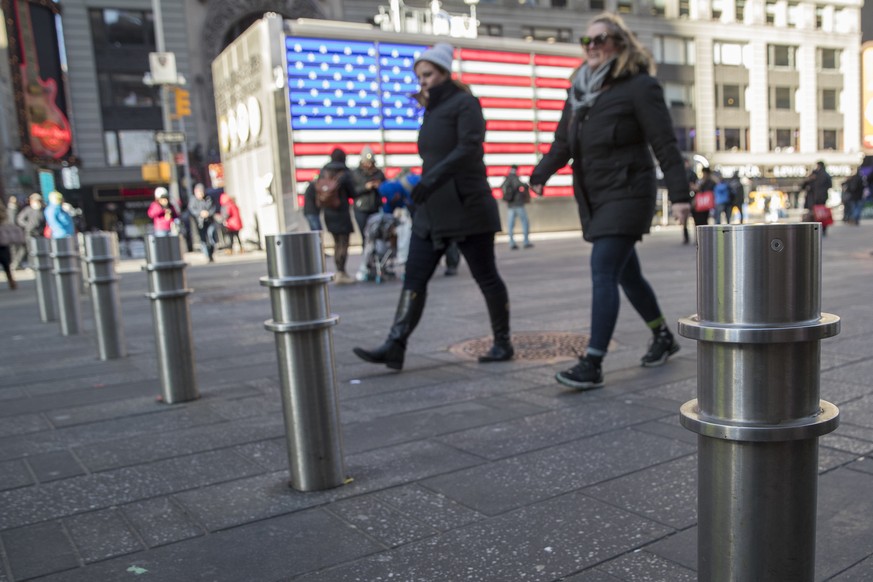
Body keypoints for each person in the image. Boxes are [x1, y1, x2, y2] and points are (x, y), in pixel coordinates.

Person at [529, 12, 689, 390]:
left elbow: (664, 142)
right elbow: (563, 144)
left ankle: (593, 360)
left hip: (629, 191)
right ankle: (662, 336)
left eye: (601, 39)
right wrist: (539, 174)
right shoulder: (580, 92)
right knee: (627, 274)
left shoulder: (639, 87)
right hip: (596, 195)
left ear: (620, 44)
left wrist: (681, 195)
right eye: (588, 42)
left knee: (603, 267)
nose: (593, 47)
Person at [353, 42, 514, 370]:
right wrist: (417, 180)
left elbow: (469, 148)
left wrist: (429, 180)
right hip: (432, 209)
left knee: (486, 276)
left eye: (427, 74)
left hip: (467, 204)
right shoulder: (431, 110)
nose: (422, 80)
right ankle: (395, 344)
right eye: (419, 76)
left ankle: (502, 342)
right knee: (414, 276)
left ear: (443, 72)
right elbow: (435, 157)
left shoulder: (465, 104)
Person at [306, 148, 356, 284]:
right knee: (343, 242)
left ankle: (338, 271)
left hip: (328, 212)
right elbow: (353, 192)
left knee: (336, 242)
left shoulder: (324, 171)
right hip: (342, 211)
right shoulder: (345, 173)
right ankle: (341, 272)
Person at [351, 146, 386, 236]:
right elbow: (352, 191)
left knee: (376, 235)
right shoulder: (355, 173)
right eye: (367, 162)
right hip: (361, 208)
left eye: (371, 162)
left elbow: (386, 188)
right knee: (365, 235)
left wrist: (380, 186)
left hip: (375, 207)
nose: (369, 165)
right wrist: (365, 187)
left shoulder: (379, 173)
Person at [501, 165, 533, 250]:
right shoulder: (515, 177)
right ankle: (526, 242)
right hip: (518, 204)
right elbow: (519, 185)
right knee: (525, 222)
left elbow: (502, 187)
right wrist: (525, 185)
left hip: (510, 205)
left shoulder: (507, 178)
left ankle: (511, 243)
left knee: (510, 224)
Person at [802, 161, 832, 235]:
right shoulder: (826, 175)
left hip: (813, 199)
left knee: (814, 215)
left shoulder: (814, 174)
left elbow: (803, 186)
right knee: (821, 215)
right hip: (822, 198)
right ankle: (822, 229)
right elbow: (830, 185)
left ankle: (814, 230)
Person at [189, 183, 218, 262]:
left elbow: (213, 208)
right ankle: (207, 255)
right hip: (200, 222)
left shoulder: (208, 198)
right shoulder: (193, 200)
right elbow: (192, 210)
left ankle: (211, 253)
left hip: (209, 221)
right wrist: (200, 213)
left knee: (211, 235)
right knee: (203, 239)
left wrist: (208, 213)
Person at [843, 155, 873, 226]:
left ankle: (853, 218)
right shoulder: (861, 178)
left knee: (855, 207)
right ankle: (855, 218)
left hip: (854, 195)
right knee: (857, 207)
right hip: (859, 195)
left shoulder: (853, 178)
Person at [0, 203, 20, 289]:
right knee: (6, 262)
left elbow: (5, 218)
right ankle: (11, 281)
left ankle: (11, 281)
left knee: (5, 262)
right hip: (3, 241)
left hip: (2, 240)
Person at [6, 196, 26, 269]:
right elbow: (13, 222)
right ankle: (16, 263)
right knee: (19, 248)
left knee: (15, 249)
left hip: (11, 232)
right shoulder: (12, 210)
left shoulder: (9, 209)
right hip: (14, 232)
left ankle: (15, 263)